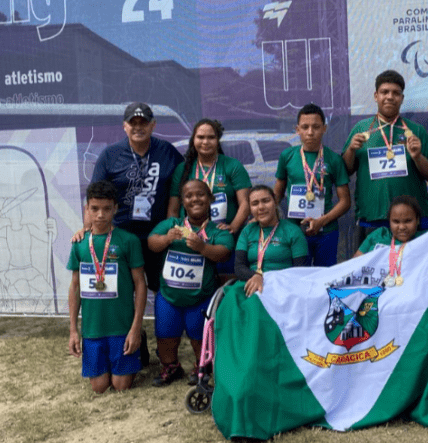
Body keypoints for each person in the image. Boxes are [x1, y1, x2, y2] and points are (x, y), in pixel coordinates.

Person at [86, 102, 184, 293]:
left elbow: (182, 189)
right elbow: (93, 197)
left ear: (153, 125)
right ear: (124, 126)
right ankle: (129, 324)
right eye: (133, 123)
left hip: (158, 235)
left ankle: (163, 322)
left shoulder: (168, 152)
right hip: (121, 235)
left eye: (144, 122)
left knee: (162, 287)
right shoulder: (110, 155)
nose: (138, 127)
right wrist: (89, 231)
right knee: (121, 288)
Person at [148, 179, 234, 386]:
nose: (195, 199)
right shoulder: (171, 224)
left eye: (201, 195)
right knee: (165, 333)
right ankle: (170, 366)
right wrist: (167, 239)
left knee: (199, 334)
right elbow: (152, 243)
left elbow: (224, 253)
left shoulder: (217, 230)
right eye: (189, 196)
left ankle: (201, 365)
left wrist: (203, 248)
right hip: (169, 295)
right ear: (182, 202)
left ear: (211, 199)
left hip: (200, 297)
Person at [67, 181, 147, 394]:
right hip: (93, 329)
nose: (100, 214)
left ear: (115, 209)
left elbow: (140, 284)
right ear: (87, 209)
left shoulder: (128, 241)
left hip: (122, 327)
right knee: (99, 387)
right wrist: (74, 330)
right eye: (94, 209)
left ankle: (139, 344)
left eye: (106, 209)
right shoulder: (79, 243)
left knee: (121, 386)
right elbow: (75, 287)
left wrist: (135, 328)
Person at [342, 69, 428, 244]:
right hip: (373, 217)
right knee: (374, 271)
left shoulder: (416, 130)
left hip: (412, 220)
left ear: (402, 98)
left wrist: (417, 157)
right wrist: (350, 150)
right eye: (384, 92)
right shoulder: (360, 129)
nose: (390, 97)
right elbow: (346, 171)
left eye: (396, 93)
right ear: (376, 96)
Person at [168, 119, 251, 277]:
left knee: (224, 285)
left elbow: (245, 204)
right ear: (193, 140)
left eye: (211, 137)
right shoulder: (183, 169)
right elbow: (173, 209)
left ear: (218, 140)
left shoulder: (232, 166)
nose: (205, 142)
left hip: (222, 240)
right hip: (189, 239)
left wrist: (233, 226)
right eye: (200, 137)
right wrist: (175, 233)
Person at [274, 104, 351, 266]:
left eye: (316, 127)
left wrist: (322, 221)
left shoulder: (334, 159)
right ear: (297, 129)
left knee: (325, 278)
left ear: (324, 128)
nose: (310, 132)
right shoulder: (287, 156)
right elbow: (277, 194)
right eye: (305, 127)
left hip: (326, 231)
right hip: (295, 231)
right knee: (298, 277)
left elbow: (345, 202)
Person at [234, 185, 308, 297]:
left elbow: (300, 270)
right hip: (250, 283)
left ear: (275, 201)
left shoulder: (293, 231)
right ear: (250, 208)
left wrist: (265, 279)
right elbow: (239, 267)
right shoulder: (247, 231)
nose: (261, 207)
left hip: (284, 287)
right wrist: (256, 277)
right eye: (255, 203)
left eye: (266, 201)